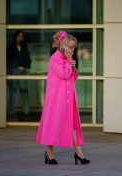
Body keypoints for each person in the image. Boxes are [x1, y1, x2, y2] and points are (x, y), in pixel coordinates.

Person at [36, 31, 90, 165]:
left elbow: (73, 78)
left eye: (73, 47)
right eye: (70, 47)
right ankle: (49, 153)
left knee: (73, 125)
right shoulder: (54, 59)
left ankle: (79, 153)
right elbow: (64, 75)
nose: (72, 50)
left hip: (69, 97)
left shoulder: (68, 59)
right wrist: (68, 62)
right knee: (53, 125)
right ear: (64, 45)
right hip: (56, 98)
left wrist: (73, 66)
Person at [7, 30, 32, 121]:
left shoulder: (25, 48)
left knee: (25, 93)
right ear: (15, 37)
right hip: (13, 71)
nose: (20, 38)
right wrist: (14, 68)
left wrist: (26, 67)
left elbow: (29, 60)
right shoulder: (10, 48)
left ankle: (27, 113)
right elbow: (8, 61)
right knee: (13, 94)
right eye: (19, 36)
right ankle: (11, 113)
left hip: (23, 72)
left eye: (22, 36)